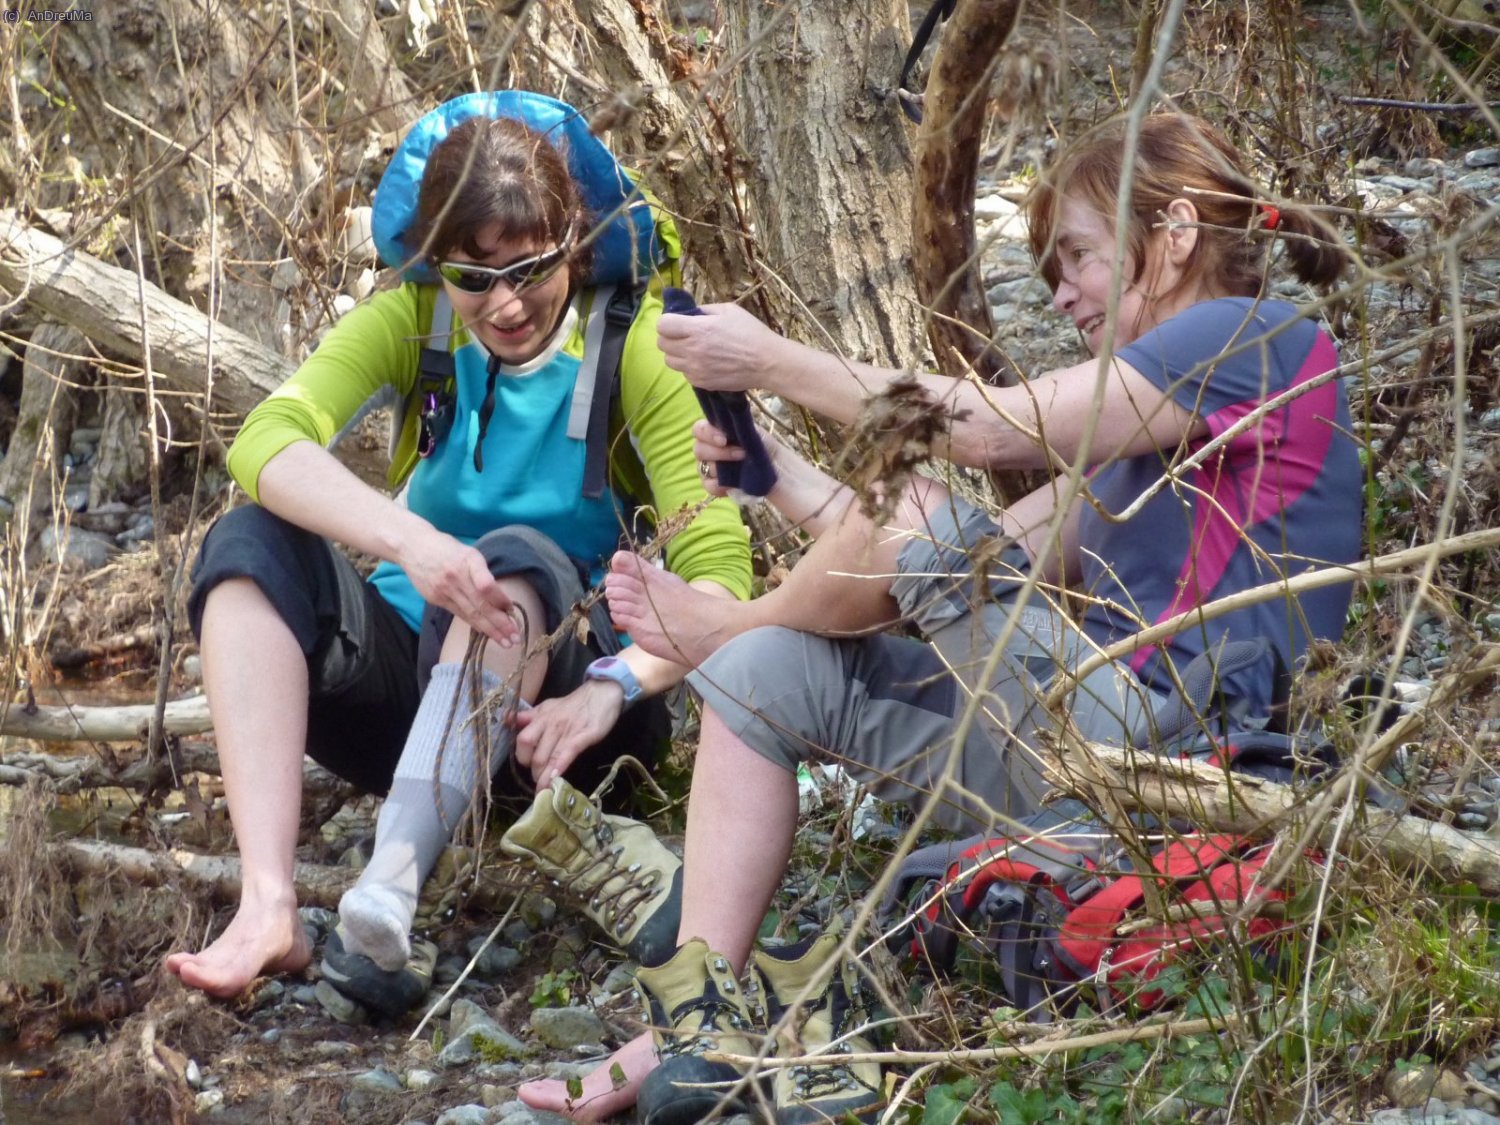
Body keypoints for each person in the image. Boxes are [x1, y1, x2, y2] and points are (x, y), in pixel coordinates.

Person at [516, 111, 1360, 1123]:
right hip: (1086, 755)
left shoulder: (1259, 340)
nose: (1060, 293)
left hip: (1197, 766)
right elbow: (918, 562)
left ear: (1174, 233)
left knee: (832, 571)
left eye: (1079, 257)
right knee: (763, 674)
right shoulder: (1130, 451)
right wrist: (775, 473)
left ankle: (721, 631)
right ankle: (692, 1018)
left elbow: (988, 432)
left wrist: (772, 362)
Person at [163, 105, 751, 1004]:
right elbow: (266, 438)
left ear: (575, 243)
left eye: (530, 269)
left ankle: (392, 884)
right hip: (412, 699)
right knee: (247, 544)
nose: (506, 305)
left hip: (569, 723)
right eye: (474, 277)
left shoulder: (637, 344)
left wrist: (612, 687)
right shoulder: (416, 320)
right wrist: (412, 540)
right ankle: (268, 907)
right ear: (438, 266)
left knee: (516, 561)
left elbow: (719, 580)